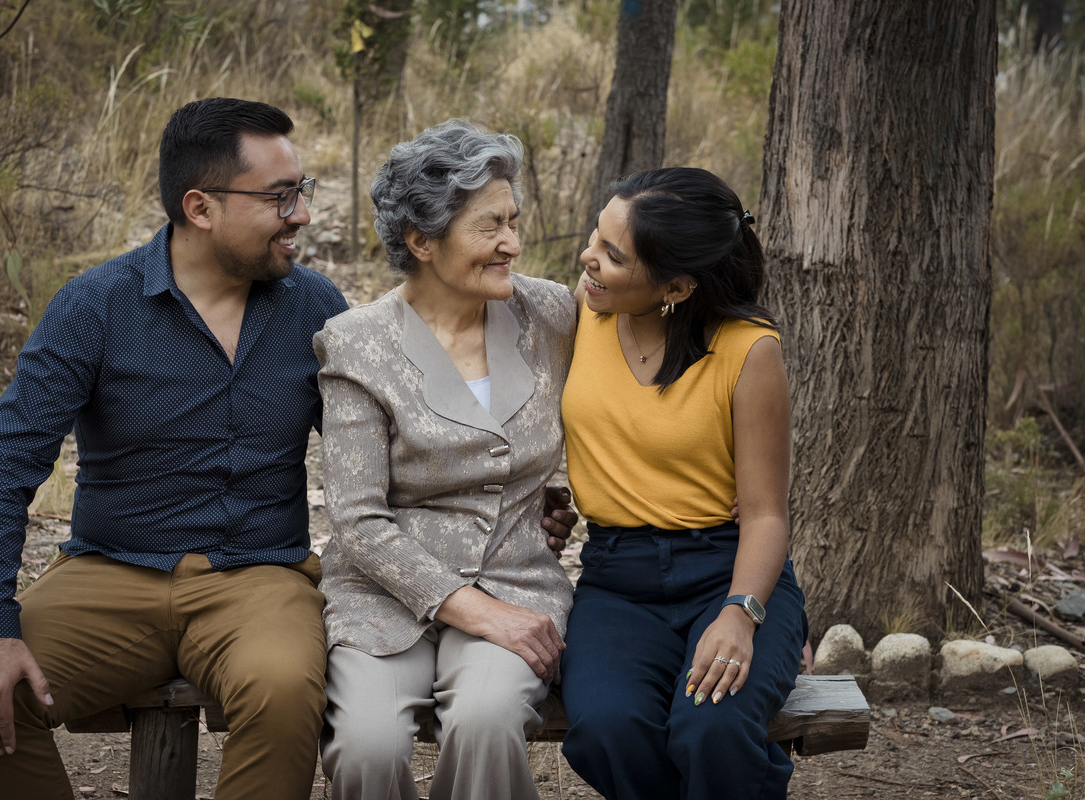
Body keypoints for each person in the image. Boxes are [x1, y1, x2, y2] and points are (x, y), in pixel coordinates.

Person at [0, 97, 349, 800]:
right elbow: (3, 466)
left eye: (302, 192)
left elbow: (377, 457)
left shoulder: (316, 308)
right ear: (201, 207)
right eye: (281, 197)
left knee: (285, 692)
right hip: (112, 571)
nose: (302, 215)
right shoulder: (95, 306)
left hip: (259, 576)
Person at [314, 119, 576, 800]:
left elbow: (626, 411)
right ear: (421, 241)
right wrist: (478, 612)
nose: (512, 244)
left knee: (488, 722)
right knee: (367, 748)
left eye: (514, 221)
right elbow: (358, 521)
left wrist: (566, 494)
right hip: (383, 596)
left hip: (515, 581)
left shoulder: (552, 315)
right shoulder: (356, 344)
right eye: (489, 227)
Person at [558, 167, 809, 799]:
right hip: (618, 578)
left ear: (675, 284)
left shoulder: (748, 352)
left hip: (727, 570)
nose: (589, 257)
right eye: (596, 234)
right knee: (605, 727)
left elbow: (767, 515)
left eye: (613, 255)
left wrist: (743, 613)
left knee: (711, 727)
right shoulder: (579, 313)